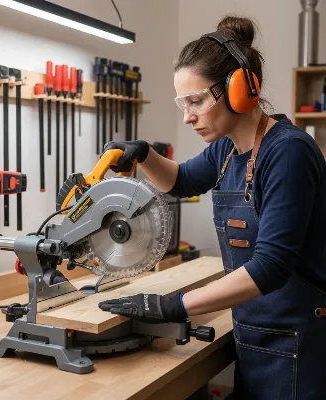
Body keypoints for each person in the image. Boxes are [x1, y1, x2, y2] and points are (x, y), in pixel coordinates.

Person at [98, 15, 326, 400]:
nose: (187, 116)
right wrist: (143, 154)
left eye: (196, 100)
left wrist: (174, 305)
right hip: (255, 333)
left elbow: (270, 267)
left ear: (241, 88)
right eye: (181, 102)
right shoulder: (227, 150)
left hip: (298, 342)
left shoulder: (288, 152)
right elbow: (181, 180)